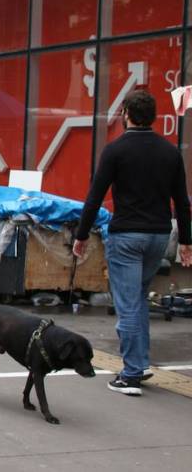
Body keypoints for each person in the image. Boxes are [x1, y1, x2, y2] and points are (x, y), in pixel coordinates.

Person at [73, 90, 192, 396]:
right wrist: (186, 242)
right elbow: (182, 201)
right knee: (137, 298)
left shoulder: (115, 151)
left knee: (127, 304)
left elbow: (95, 196)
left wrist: (81, 235)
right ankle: (140, 362)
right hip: (158, 235)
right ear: (152, 115)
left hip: (126, 235)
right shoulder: (170, 152)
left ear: (125, 113)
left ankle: (130, 375)